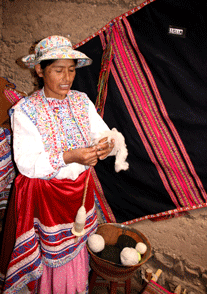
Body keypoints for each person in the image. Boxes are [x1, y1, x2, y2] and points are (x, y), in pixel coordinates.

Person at [0, 35, 116, 294]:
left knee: (76, 249)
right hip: (47, 199)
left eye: (72, 70)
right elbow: (27, 163)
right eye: (58, 70)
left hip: (80, 194)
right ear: (40, 70)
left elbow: (102, 134)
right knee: (52, 259)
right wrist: (70, 156)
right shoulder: (25, 111)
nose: (67, 77)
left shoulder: (81, 101)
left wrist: (107, 145)